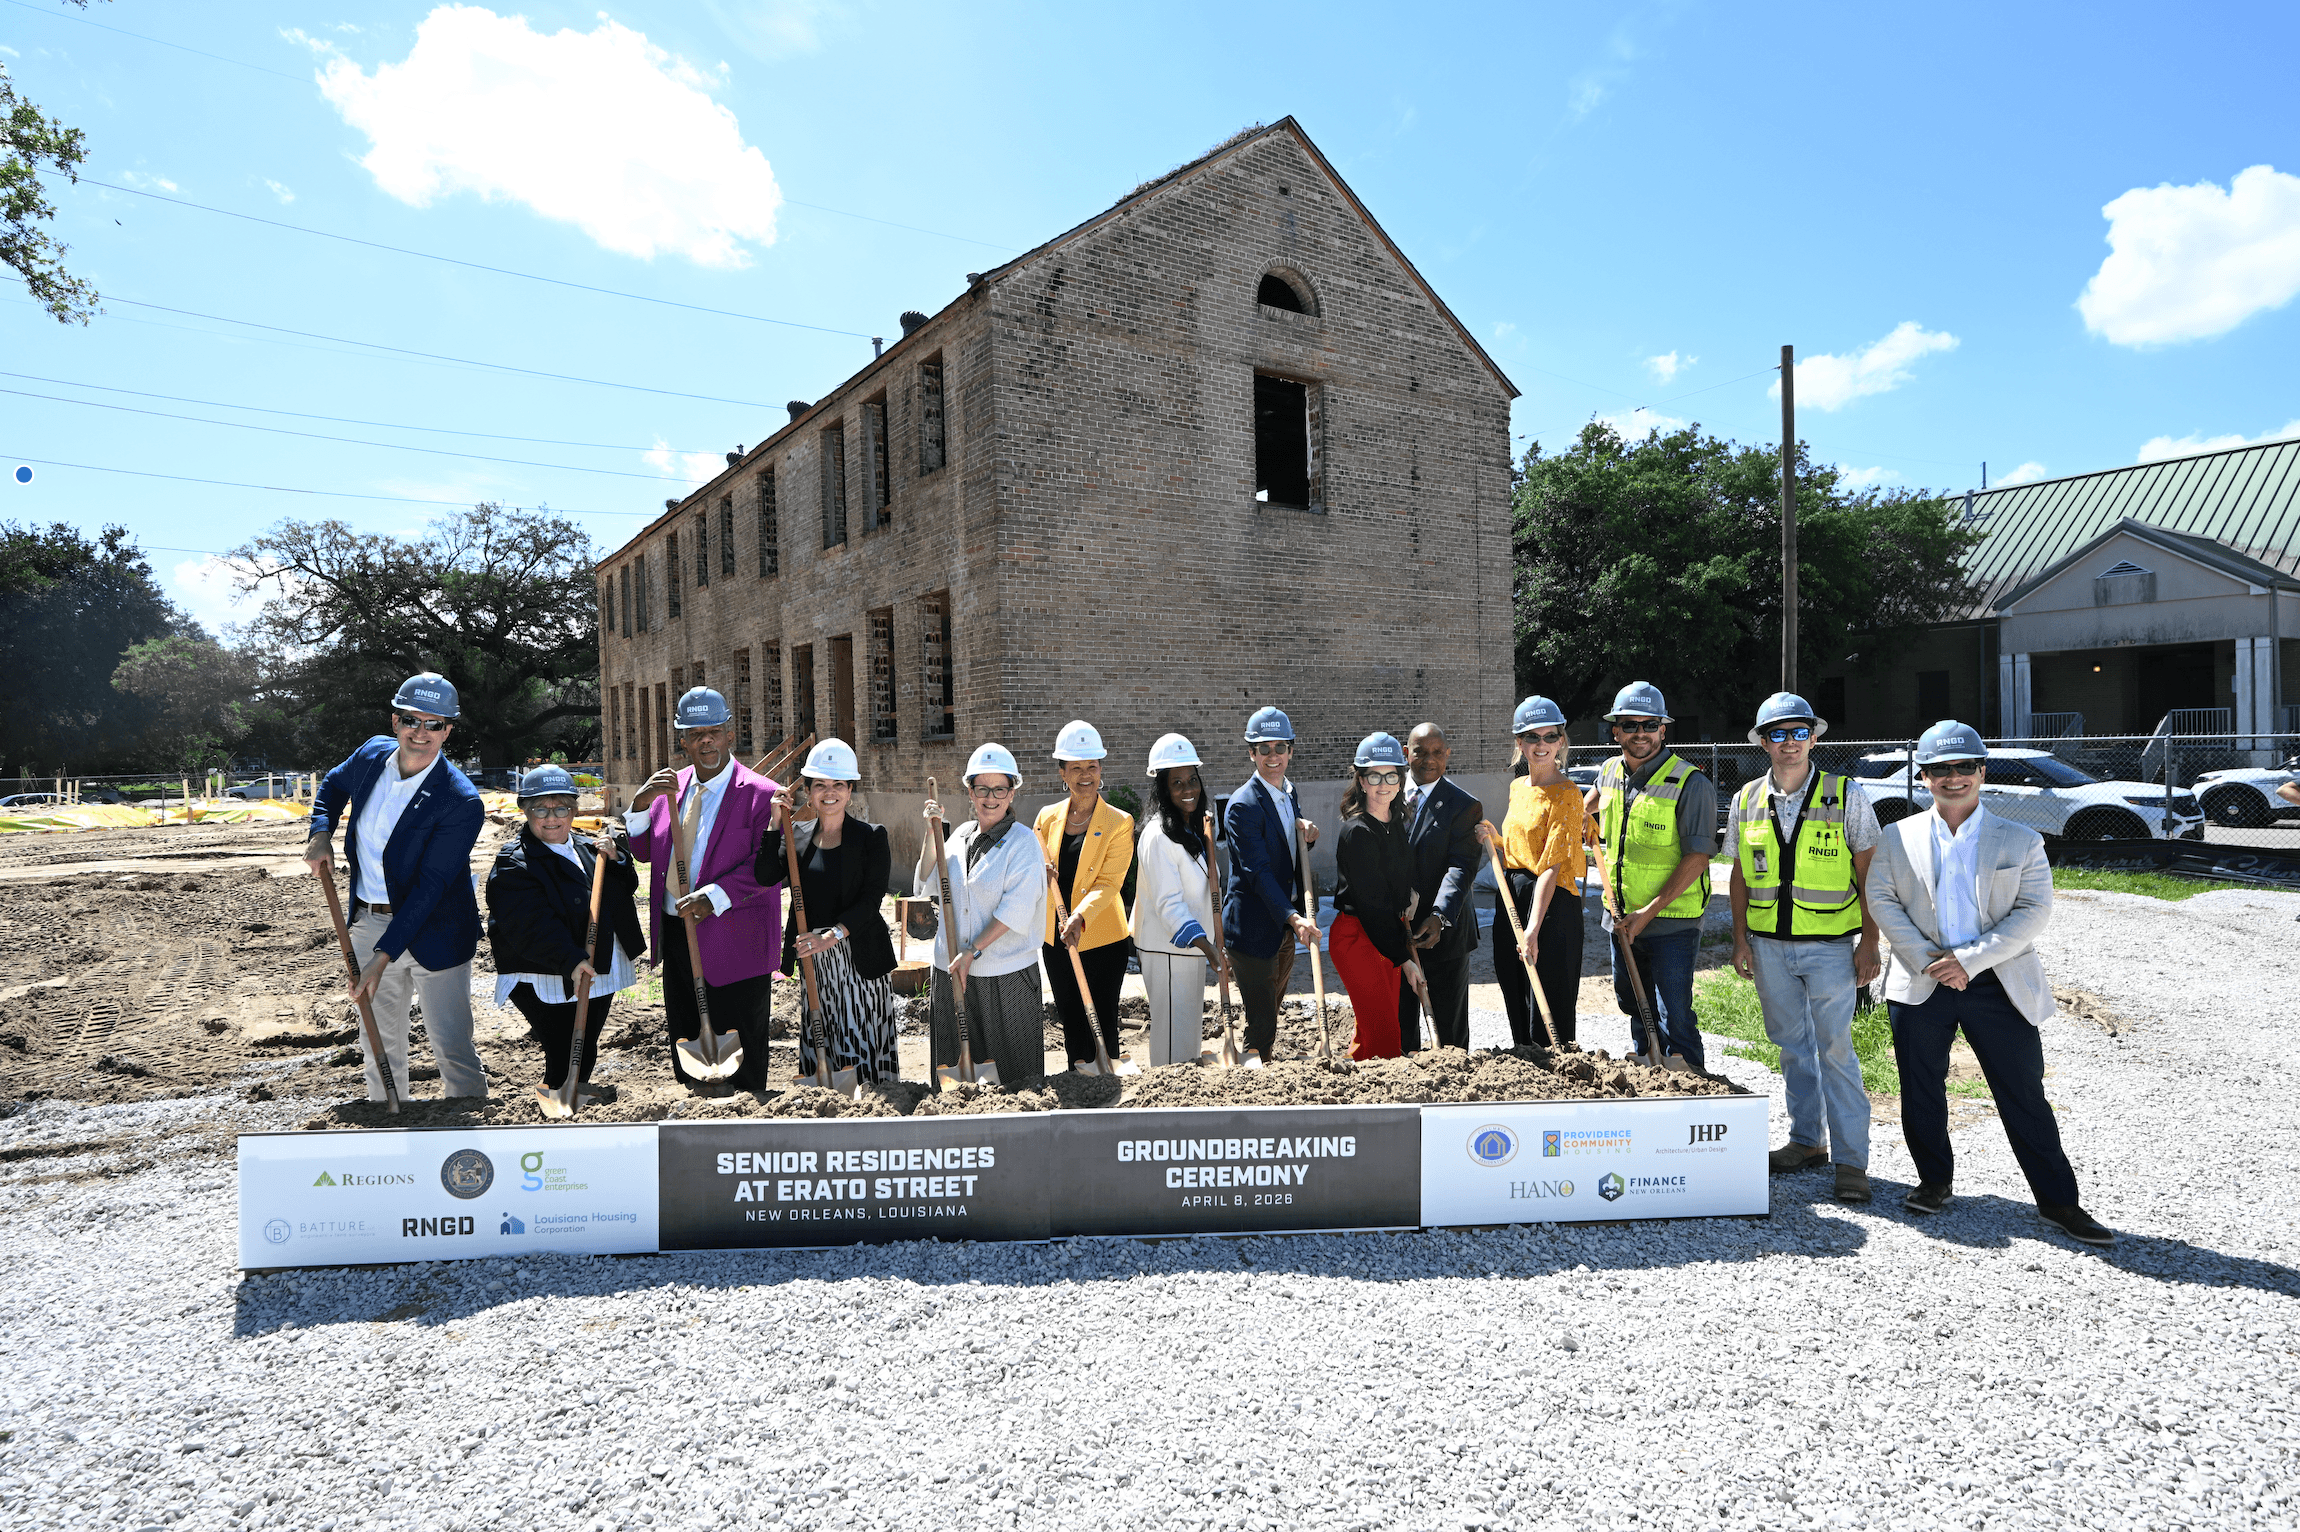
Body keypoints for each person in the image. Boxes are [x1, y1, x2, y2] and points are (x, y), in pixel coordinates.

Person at [1869, 720, 2113, 1245]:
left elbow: (2033, 912)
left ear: (1982, 772)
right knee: (1921, 1089)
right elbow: (1882, 899)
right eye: (1939, 769)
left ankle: (2058, 1203)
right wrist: (1927, 959)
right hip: (1923, 979)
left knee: (2023, 1093)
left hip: (1997, 983)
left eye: (1963, 767)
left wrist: (1969, 961)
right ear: (1924, 775)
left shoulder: (2021, 840)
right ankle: (1934, 1181)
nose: (1952, 778)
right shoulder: (1898, 836)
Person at [1726, 693, 1884, 1205]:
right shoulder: (1746, 798)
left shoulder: (1845, 794)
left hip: (1830, 948)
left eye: (1799, 733)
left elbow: (1870, 873)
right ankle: (1807, 1140)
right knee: (1792, 1047)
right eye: (1778, 734)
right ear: (1763, 742)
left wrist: (1870, 943)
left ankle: (1852, 1162)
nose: (1789, 744)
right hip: (1770, 947)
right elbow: (1739, 875)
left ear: (1813, 738)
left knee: (1836, 1050)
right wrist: (1739, 939)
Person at [305, 671, 488, 1102]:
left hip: (437, 926)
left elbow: (431, 887)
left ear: (449, 730)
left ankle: (467, 1136)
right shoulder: (372, 755)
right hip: (369, 920)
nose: (421, 733)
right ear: (395, 721)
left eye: (435, 724)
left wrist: (382, 957)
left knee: (451, 1045)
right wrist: (320, 832)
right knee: (378, 1043)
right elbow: (332, 786)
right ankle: (388, 1127)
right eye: (411, 720)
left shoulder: (460, 800)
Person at [625, 687, 783, 1092]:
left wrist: (714, 896)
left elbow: (769, 869)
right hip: (678, 930)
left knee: (741, 1039)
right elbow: (644, 853)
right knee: (686, 1028)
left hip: (735, 935)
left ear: (730, 733)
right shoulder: (667, 791)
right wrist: (641, 805)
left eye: (714, 730)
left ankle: (745, 1112)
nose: (706, 740)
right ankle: (693, 1104)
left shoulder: (761, 795)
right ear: (683, 740)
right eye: (696, 734)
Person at [484, 764, 644, 1108]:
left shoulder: (590, 850)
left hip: (597, 963)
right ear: (524, 811)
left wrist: (617, 861)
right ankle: (558, 1107)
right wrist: (570, 960)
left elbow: (625, 889)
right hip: (543, 969)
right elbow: (529, 924)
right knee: (562, 1046)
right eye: (540, 808)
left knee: (585, 1045)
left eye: (561, 808)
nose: (551, 818)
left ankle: (576, 1099)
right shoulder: (515, 863)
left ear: (574, 810)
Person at [755, 739, 898, 1084]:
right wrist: (776, 823)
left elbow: (871, 900)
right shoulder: (797, 837)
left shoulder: (871, 838)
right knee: (824, 1034)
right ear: (807, 790)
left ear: (850, 791)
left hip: (858, 956)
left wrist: (832, 936)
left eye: (838, 785)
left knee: (861, 1039)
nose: (829, 792)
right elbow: (765, 876)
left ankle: (872, 1109)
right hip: (813, 959)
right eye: (820, 784)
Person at [1589, 680, 1716, 1069]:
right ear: (1616, 731)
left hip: (1670, 923)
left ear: (1663, 729)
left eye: (1649, 725)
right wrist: (1581, 817)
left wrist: (1647, 915)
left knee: (1673, 1013)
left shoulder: (1690, 783)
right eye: (1630, 725)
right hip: (1622, 917)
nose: (1639, 733)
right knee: (1634, 1005)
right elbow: (1586, 808)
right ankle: (1649, 1073)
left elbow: (1697, 859)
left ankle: (1692, 1084)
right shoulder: (1610, 771)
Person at [917, 742, 1049, 1083]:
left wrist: (973, 950)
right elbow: (927, 880)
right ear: (970, 791)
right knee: (954, 1076)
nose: (991, 798)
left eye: (999, 789)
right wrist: (933, 832)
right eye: (982, 789)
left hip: (1004, 976)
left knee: (1014, 1076)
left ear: (1012, 792)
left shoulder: (1023, 843)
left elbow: (1016, 909)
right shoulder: (960, 835)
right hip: (951, 970)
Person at [1477, 696, 1585, 1048]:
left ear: (1561, 741)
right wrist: (1496, 839)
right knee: (1515, 986)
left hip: (1551, 906)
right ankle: (1526, 1062)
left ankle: (1555, 1066)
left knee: (1549, 994)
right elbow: (1522, 848)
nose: (1542, 745)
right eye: (1532, 737)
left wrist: (1533, 930)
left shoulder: (1568, 795)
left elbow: (1551, 866)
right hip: (1512, 895)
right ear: (1519, 743)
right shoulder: (1517, 788)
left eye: (1550, 736)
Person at [1033, 721, 1138, 1074]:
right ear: (1062, 772)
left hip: (1103, 939)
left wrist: (1080, 915)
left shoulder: (1119, 822)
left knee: (1103, 1019)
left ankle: (1107, 1084)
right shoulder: (1046, 820)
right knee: (1071, 1018)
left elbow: (1110, 882)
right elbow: (1035, 870)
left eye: (1091, 766)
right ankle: (1080, 1082)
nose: (1085, 775)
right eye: (1075, 768)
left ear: (1101, 769)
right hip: (1058, 940)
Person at [1221, 706, 1322, 1068]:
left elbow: (1281, 844)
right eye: (1264, 749)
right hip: (1252, 928)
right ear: (1251, 753)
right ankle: (1251, 1081)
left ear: (1291, 750)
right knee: (1262, 1020)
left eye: (1280, 748)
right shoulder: (1242, 806)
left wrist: (1303, 836)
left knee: (1271, 1010)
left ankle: (1257, 1060)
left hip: (1280, 924)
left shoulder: (1287, 792)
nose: (1273, 756)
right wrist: (1295, 918)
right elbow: (1258, 871)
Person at [1328, 732, 1427, 1060]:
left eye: (1391, 775)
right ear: (1361, 780)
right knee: (1385, 1031)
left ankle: (1349, 1087)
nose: (1383, 784)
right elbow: (1371, 904)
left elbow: (1399, 873)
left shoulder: (1395, 822)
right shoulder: (1358, 832)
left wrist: (1409, 894)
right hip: (1358, 935)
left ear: (1401, 780)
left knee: (1373, 1028)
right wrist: (1404, 959)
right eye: (1374, 776)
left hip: (1386, 931)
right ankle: (1377, 1105)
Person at [1132, 733, 1228, 1067]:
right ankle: (1167, 1107)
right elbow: (1170, 905)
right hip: (1168, 948)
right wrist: (1211, 949)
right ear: (1162, 789)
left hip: (1192, 947)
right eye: (1177, 783)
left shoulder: (1189, 829)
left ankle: (1184, 1100)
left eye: (1192, 780)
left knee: (1186, 1032)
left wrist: (1214, 943)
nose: (1188, 790)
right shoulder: (1157, 836)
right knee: (1173, 1039)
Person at [1396, 722, 1483, 1052]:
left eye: (1437, 752)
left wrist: (1439, 915)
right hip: (1398, 938)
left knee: (1448, 1033)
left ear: (1447, 755)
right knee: (1403, 1031)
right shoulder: (1385, 798)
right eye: (1420, 752)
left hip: (1444, 936)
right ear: (1407, 754)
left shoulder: (1464, 806)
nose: (1428, 760)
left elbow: (1460, 867)